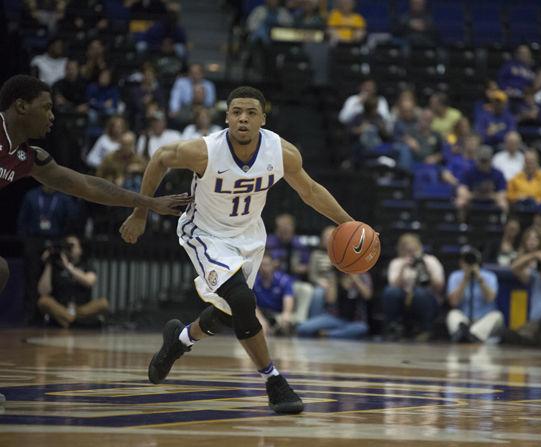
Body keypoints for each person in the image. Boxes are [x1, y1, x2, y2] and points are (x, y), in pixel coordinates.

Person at [119, 86, 370, 415]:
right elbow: (159, 158)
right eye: (236, 112)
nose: (243, 118)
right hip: (205, 233)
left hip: (249, 235)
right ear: (226, 117)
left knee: (227, 314)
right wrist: (140, 213)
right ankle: (273, 381)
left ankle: (178, 341)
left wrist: (350, 225)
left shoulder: (281, 152)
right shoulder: (205, 151)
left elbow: (309, 191)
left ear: (263, 119)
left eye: (251, 112)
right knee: (242, 301)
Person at [0, 74, 191, 297]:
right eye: (46, 108)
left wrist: (149, 203)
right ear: (21, 106)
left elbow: (87, 185)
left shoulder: (28, 157)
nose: (52, 116)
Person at [381, 233, 444, 342]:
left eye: (414, 250)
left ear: (419, 248)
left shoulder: (430, 260)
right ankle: (393, 328)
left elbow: (440, 286)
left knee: (420, 293)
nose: (411, 253)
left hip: (427, 300)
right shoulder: (397, 262)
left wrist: (426, 269)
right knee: (390, 292)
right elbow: (393, 286)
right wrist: (403, 267)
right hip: (404, 300)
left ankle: (426, 330)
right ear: (402, 250)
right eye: (407, 250)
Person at [36, 235, 109, 328]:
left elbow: (89, 282)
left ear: (80, 250)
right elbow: (43, 291)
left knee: (103, 303)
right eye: (67, 246)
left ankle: (67, 320)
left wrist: (68, 267)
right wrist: (48, 264)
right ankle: (75, 321)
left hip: (82, 308)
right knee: (43, 301)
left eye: (72, 246)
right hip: (61, 307)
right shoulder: (55, 266)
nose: (69, 249)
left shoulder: (86, 265)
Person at [446, 246, 503, 343]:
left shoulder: (489, 276)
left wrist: (479, 278)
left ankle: (472, 334)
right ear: (461, 262)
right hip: (464, 318)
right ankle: (463, 333)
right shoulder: (455, 276)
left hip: (483, 319)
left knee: (497, 316)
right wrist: (464, 280)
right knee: (452, 314)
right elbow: (454, 302)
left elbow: (490, 298)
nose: (469, 263)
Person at [296, 270, 373, 339]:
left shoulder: (363, 275)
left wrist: (355, 279)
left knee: (362, 328)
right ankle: (338, 333)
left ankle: (327, 334)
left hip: (354, 321)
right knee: (303, 328)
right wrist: (334, 280)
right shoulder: (335, 274)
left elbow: (367, 295)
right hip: (334, 317)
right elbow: (330, 300)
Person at [456, 145, 508, 213]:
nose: (483, 164)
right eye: (481, 160)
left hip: (491, 201)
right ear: (476, 159)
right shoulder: (468, 172)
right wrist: (476, 196)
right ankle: (462, 223)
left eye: (486, 161)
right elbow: (461, 191)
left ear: (491, 160)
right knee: (460, 202)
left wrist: (489, 196)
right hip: (472, 200)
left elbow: (502, 194)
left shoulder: (498, 174)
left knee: (503, 204)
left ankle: (500, 223)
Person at [253, 254, 295, 335]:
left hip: (278, 314)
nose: (263, 268)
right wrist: (260, 319)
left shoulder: (283, 280)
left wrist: (286, 314)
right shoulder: (254, 281)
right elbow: (252, 304)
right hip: (261, 313)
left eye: (266, 265)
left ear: (273, 265)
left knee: (286, 324)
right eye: (261, 265)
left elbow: (288, 298)